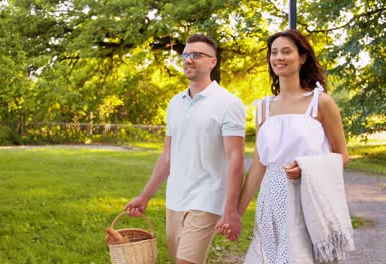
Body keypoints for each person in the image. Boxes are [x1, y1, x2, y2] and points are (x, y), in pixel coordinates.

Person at [124, 33, 246, 264]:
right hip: (176, 197)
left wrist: (231, 210)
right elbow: (167, 157)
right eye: (186, 55)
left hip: (207, 197)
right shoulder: (174, 103)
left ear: (213, 61)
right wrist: (144, 197)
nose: (188, 60)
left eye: (197, 55)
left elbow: (235, 158)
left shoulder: (228, 103)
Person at [235, 29, 349, 263]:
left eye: (286, 51)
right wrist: (235, 214)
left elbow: (342, 155)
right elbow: (259, 165)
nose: (279, 57)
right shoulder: (264, 108)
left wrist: (306, 167)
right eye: (274, 52)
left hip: (306, 195)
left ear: (302, 57)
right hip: (271, 197)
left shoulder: (321, 102)